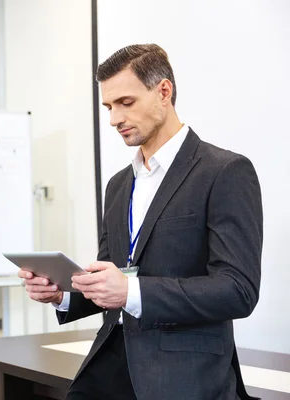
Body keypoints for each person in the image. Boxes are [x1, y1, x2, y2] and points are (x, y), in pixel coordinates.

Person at [18, 44, 263, 400]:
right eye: (108, 107)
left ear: (164, 92)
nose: (115, 118)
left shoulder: (224, 172)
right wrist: (63, 295)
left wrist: (131, 291)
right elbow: (116, 276)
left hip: (182, 375)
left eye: (125, 103)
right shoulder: (118, 184)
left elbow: (237, 290)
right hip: (110, 363)